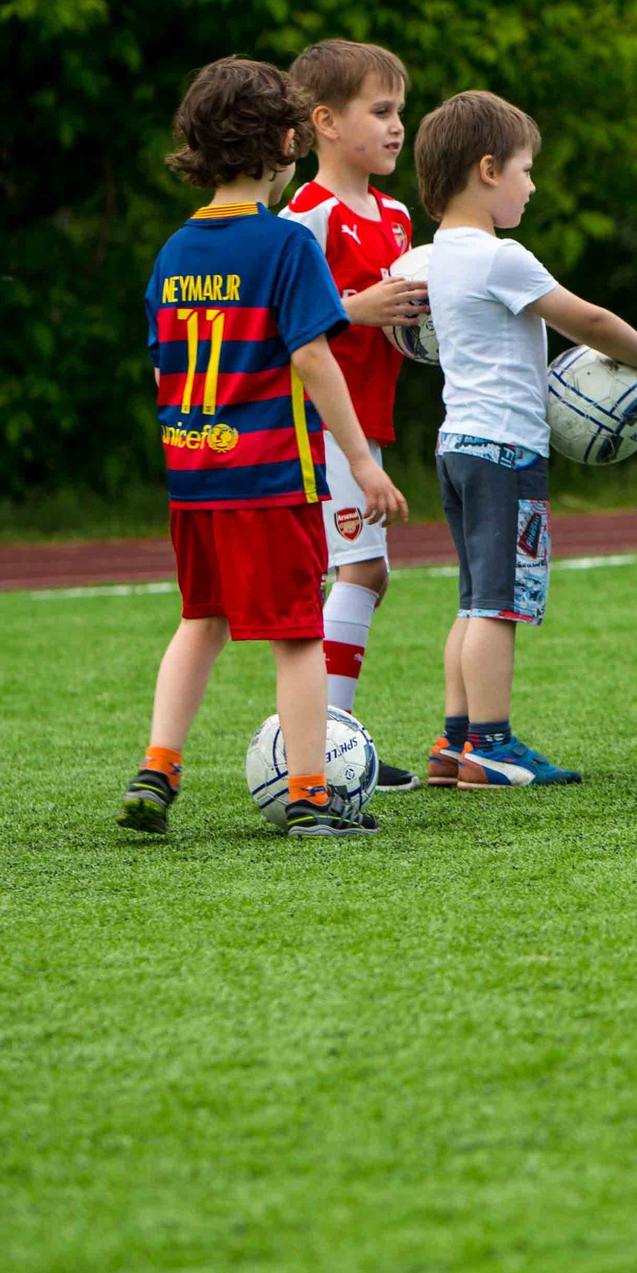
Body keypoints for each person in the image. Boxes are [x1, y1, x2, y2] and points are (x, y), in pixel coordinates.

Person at [117, 56, 409, 839]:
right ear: (287, 142)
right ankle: (310, 795)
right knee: (299, 633)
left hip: (194, 479)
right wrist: (361, 460)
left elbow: (162, 367)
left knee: (200, 621)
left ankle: (157, 766)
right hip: (271, 479)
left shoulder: (174, 250)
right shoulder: (285, 245)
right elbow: (312, 354)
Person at [416, 90, 637, 787]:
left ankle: (454, 740)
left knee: (474, 600)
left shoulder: (435, 256)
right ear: (488, 170)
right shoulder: (499, 257)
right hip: (505, 451)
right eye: (526, 170)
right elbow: (587, 321)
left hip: (457, 446)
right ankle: (491, 745)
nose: (532, 186)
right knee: (500, 604)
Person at [283, 39, 427, 789]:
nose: (397, 125)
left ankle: (327, 738)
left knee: (366, 571)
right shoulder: (305, 216)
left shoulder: (396, 216)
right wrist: (355, 308)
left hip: (368, 419)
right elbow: (282, 326)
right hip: (319, 423)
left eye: (400, 110)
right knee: (363, 568)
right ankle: (328, 747)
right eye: (381, 110)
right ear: (326, 122)